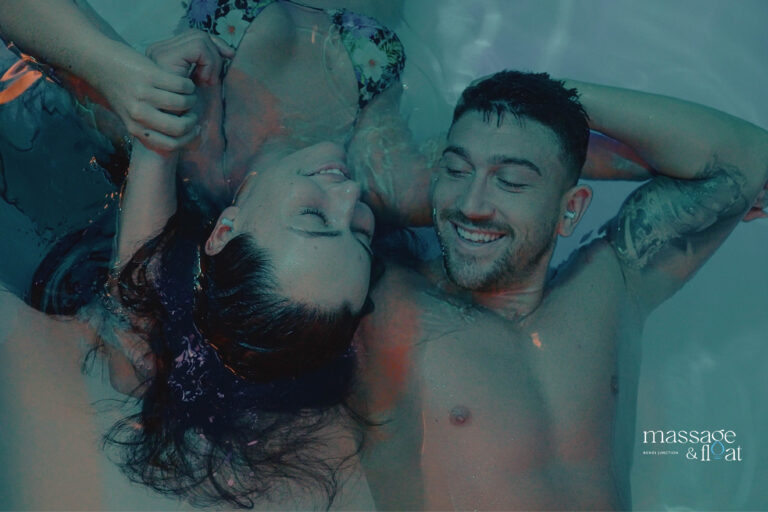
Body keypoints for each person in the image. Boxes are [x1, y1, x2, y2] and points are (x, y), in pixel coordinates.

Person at [349, 70, 768, 510]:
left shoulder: (609, 286)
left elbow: (746, 158)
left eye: (510, 181)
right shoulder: (385, 302)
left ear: (571, 210)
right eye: (456, 170)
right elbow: (360, 186)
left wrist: (561, 95)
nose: (471, 205)